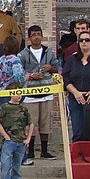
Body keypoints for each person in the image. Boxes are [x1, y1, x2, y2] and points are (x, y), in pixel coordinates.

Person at [17, 25, 60, 161]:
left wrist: (50, 68)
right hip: (30, 93)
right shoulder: (23, 54)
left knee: (45, 123)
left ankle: (44, 150)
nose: (36, 37)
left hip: (46, 91)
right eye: (33, 35)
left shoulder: (49, 52)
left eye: (38, 34)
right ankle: (30, 151)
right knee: (31, 123)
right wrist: (30, 75)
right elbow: (19, 72)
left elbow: (57, 68)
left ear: (42, 36)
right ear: (29, 38)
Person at [0, 91, 33, 179]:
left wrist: (28, 138)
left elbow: (30, 123)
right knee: (5, 165)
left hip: (21, 142)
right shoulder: (4, 107)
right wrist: (6, 136)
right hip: (9, 141)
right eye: (17, 93)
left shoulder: (23, 108)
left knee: (17, 166)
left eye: (20, 94)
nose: (19, 96)